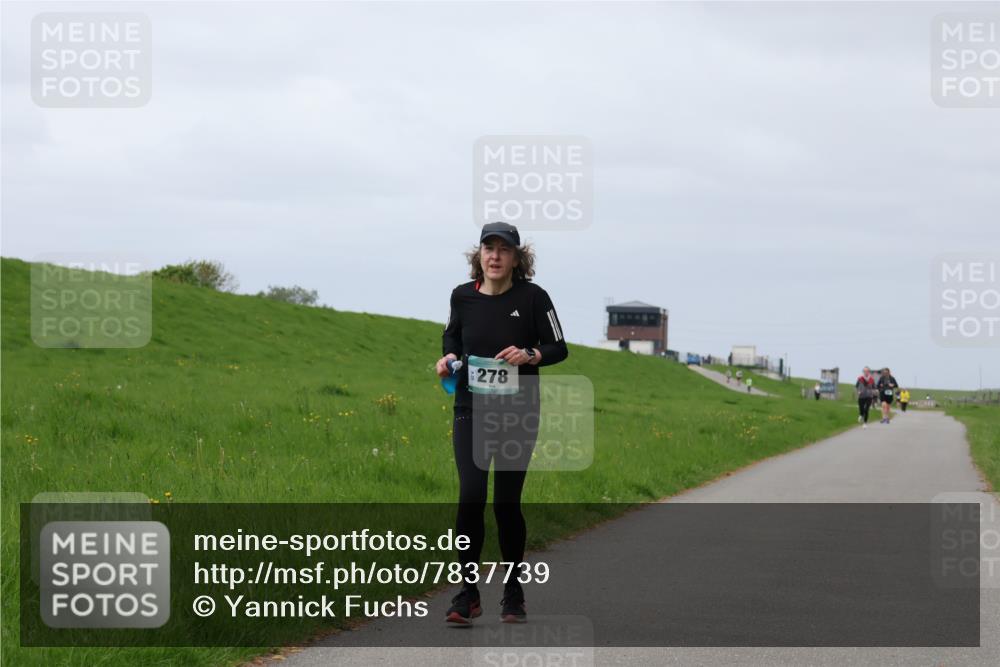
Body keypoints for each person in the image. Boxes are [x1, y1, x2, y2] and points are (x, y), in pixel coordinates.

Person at [436, 221, 568, 625]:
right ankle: (467, 592)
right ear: (478, 255)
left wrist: (530, 354)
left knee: (506, 503)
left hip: (518, 412)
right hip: (470, 409)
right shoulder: (462, 297)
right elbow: (452, 339)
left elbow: (559, 347)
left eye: (503, 250)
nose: (494, 256)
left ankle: (513, 592)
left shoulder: (533, 297)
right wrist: (447, 359)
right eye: (488, 249)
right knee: (471, 495)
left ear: (516, 258)